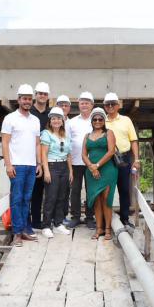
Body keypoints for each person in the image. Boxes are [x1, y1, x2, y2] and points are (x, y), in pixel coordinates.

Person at [1, 84, 42, 247]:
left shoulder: (35, 120)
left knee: (27, 199)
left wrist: (38, 163)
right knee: (17, 199)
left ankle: (24, 229)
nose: (27, 101)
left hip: (31, 166)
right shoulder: (10, 118)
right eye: (24, 98)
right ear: (18, 100)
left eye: (29, 99)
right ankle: (17, 233)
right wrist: (8, 165)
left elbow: (37, 144)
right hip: (17, 165)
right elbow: (5, 143)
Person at [104, 92, 140, 228]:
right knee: (106, 190)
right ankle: (104, 219)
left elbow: (134, 140)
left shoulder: (126, 120)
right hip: (107, 159)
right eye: (108, 104)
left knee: (124, 189)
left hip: (123, 158)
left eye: (113, 103)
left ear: (118, 105)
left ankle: (125, 218)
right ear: (105, 107)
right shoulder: (101, 121)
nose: (110, 106)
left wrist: (136, 160)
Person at [82, 107, 118, 240]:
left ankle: (108, 229)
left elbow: (111, 152)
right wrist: (91, 167)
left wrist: (97, 165)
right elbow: (83, 154)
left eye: (100, 119)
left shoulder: (109, 133)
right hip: (91, 172)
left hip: (107, 170)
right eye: (95, 119)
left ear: (104, 120)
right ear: (91, 121)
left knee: (106, 199)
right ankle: (99, 229)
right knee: (96, 200)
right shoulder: (87, 136)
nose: (97, 121)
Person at [40, 107, 73, 238]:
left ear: (62, 121)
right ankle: (46, 225)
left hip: (64, 166)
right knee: (51, 197)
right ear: (50, 120)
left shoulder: (65, 135)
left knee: (62, 197)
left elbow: (69, 155)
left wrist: (70, 171)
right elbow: (43, 154)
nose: (56, 121)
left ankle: (58, 223)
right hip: (52, 165)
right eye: (53, 118)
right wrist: (46, 171)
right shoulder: (46, 134)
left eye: (59, 118)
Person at [66, 91, 96, 229]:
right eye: (82, 103)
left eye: (87, 103)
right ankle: (75, 217)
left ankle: (90, 217)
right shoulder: (71, 122)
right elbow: (66, 143)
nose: (84, 105)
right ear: (78, 104)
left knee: (91, 190)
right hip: (76, 162)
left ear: (92, 105)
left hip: (92, 162)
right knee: (75, 191)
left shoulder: (97, 120)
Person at [29, 82, 51, 230]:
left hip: (49, 158)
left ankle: (46, 221)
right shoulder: (29, 112)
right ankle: (33, 221)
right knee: (32, 191)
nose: (42, 96)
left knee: (47, 191)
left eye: (45, 94)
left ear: (48, 96)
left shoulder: (51, 114)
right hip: (31, 156)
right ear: (35, 95)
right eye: (40, 93)